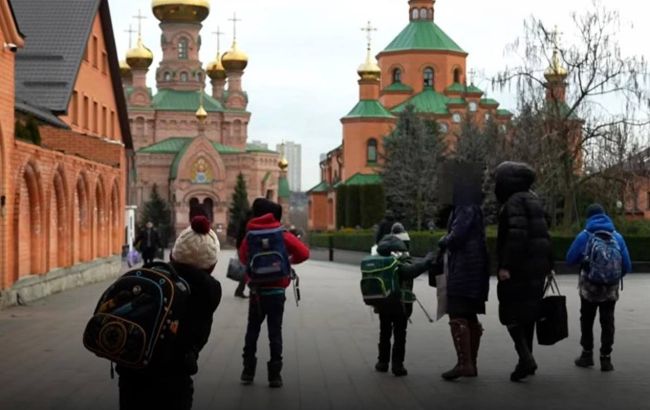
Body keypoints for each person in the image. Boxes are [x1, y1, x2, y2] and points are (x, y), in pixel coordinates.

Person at [118, 215, 222, 410]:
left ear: (173, 255)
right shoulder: (210, 289)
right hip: (174, 375)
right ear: (211, 266)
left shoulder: (150, 274)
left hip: (132, 369)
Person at [239, 198, 310, 387]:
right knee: (275, 332)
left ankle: (248, 371)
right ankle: (275, 375)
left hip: (257, 291)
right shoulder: (281, 234)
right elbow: (304, 253)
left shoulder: (250, 235)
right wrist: (287, 261)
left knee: (252, 330)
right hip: (277, 291)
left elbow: (243, 258)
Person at [494, 162, 553, 382]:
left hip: (519, 268)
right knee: (528, 314)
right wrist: (550, 264)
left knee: (510, 314)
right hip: (537, 268)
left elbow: (516, 236)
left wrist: (506, 266)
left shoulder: (514, 202)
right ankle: (525, 360)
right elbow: (545, 234)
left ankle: (525, 358)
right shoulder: (534, 199)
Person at [566, 204, 631, 372]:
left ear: (589, 218)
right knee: (607, 320)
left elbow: (569, 259)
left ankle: (587, 355)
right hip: (610, 289)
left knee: (587, 319)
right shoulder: (617, 236)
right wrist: (612, 277)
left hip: (589, 287)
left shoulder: (584, 236)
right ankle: (606, 358)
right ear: (605, 216)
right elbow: (627, 266)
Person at [438, 180, 489, 380]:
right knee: (469, 315)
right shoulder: (474, 205)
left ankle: (464, 364)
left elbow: (457, 235)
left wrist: (443, 241)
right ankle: (471, 364)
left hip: (464, 269)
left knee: (457, 313)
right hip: (475, 270)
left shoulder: (464, 205)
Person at [374, 231, 434, 376]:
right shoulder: (397, 263)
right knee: (400, 334)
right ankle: (397, 365)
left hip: (383, 304)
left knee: (384, 332)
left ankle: (382, 362)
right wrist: (428, 260)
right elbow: (412, 271)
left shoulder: (379, 261)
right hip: (400, 304)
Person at [234, 210, 253, 298]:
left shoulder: (244, 221)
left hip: (241, 247)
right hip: (245, 247)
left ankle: (240, 290)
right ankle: (243, 290)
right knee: (247, 270)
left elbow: (239, 235)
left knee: (246, 269)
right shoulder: (250, 223)